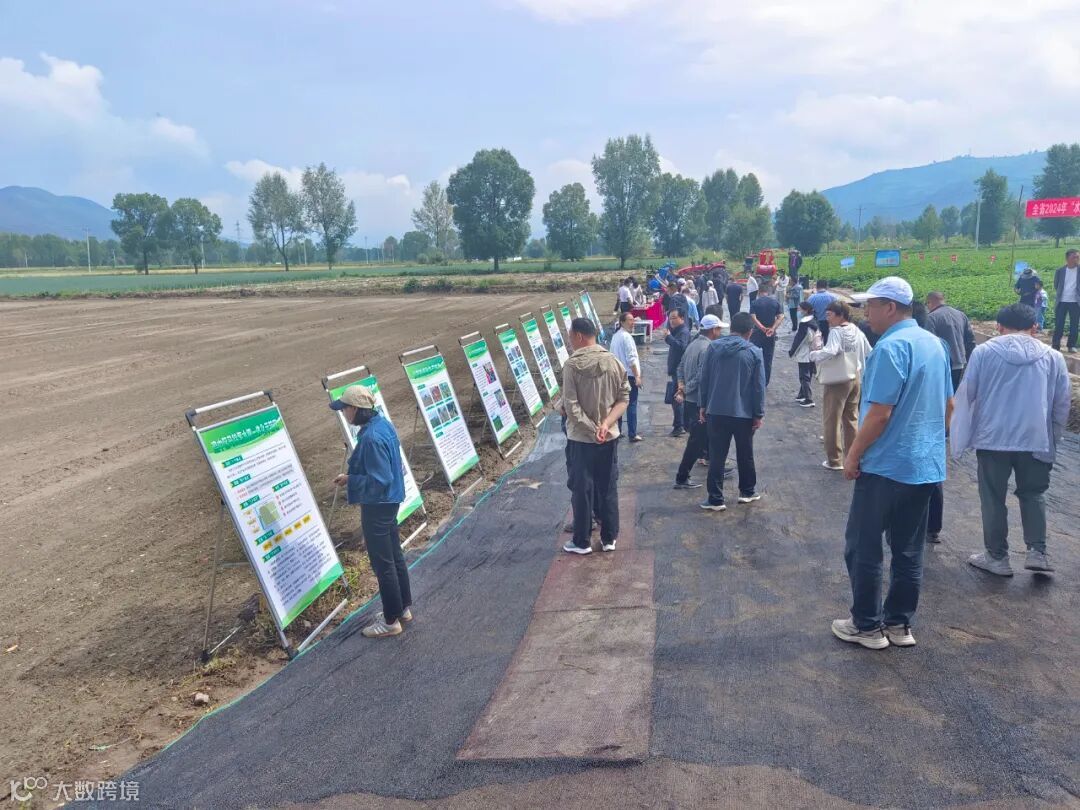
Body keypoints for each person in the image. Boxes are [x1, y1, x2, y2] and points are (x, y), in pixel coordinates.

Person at [831, 277, 953, 650]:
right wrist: (931, 443)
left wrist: (853, 454)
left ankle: (866, 625)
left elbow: (880, 414)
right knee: (908, 549)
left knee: (863, 546)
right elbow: (949, 406)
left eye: (871, 306)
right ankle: (899, 623)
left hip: (886, 466)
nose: (865, 313)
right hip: (924, 466)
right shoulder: (935, 345)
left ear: (890, 307)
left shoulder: (890, 348)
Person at [952, 303, 1070, 576]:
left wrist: (960, 438)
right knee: (1034, 493)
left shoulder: (984, 352)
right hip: (1035, 438)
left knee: (993, 497)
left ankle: (997, 557)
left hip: (993, 438)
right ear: (1034, 327)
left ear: (998, 326)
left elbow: (967, 395)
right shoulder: (1053, 357)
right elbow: (1061, 403)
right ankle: (1037, 552)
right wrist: (1053, 436)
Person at [330, 385, 412, 639]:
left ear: (356, 409)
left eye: (345, 409)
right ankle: (401, 608)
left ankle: (390, 622)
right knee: (394, 556)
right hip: (391, 501)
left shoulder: (371, 438)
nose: (344, 413)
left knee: (382, 563)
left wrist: (351, 480)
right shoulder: (382, 425)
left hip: (378, 505)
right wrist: (351, 477)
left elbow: (380, 480)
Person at [562, 317, 630, 555]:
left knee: (582, 489)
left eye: (570, 336)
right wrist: (606, 424)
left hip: (581, 439)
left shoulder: (572, 366)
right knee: (608, 486)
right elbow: (623, 399)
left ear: (579, 336)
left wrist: (592, 429)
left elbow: (571, 407)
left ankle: (581, 542)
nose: (570, 341)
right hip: (608, 437)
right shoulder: (614, 362)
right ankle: (609, 538)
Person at [698, 311, 766, 511]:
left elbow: (704, 378)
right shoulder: (754, 352)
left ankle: (715, 499)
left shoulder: (713, 348)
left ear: (732, 328)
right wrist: (758, 414)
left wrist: (703, 405)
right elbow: (758, 387)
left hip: (716, 410)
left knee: (717, 455)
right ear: (750, 332)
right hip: (743, 413)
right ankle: (747, 491)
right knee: (745, 453)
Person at [810, 301, 871, 470]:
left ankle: (834, 459)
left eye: (830, 315)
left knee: (832, 420)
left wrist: (814, 354)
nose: (827, 319)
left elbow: (831, 350)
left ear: (840, 315)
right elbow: (868, 350)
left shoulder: (836, 332)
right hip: (855, 377)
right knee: (851, 419)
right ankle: (852, 456)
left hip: (838, 380)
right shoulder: (856, 329)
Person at [674, 314, 726, 489]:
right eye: (719, 328)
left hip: (691, 399)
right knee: (696, 441)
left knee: (707, 436)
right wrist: (684, 389)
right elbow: (700, 376)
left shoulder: (693, 344)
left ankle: (714, 464)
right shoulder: (708, 348)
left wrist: (681, 385)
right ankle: (682, 477)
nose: (720, 331)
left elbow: (680, 367)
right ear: (713, 330)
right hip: (698, 401)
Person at [926, 291, 976, 391]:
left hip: (941, 365)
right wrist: (968, 361)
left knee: (940, 394)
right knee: (954, 393)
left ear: (929, 302)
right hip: (959, 363)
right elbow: (971, 340)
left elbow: (929, 345)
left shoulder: (931, 317)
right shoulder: (961, 315)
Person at [610, 310, 644, 442]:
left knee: (618, 403)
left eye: (633, 320)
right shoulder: (627, 337)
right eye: (630, 320)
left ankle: (617, 431)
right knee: (631, 404)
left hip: (617, 375)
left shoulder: (616, 336)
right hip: (628, 375)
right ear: (622, 322)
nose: (632, 322)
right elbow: (631, 359)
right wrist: (637, 376)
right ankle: (632, 433)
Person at [749, 282, 785, 386]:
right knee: (768, 359)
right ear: (768, 292)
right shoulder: (775, 302)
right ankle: (765, 382)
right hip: (770, 334)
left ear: (759, 292)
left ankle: (753, 379)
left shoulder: (754, 303)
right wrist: (772, 328)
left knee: (753, 356)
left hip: (756, 333)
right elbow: (781, 316)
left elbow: (752, 317)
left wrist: (761, 327)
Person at [788, 301, 820, 407]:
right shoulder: (813, 320)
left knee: (804, 376)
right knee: (808, 374)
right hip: (811, 351)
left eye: (800, 309)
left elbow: (800, 339)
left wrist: (792, 351)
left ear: (805, 310)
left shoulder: (804, 323)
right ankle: (802, 395)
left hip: (804, 352)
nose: (798, 310)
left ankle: (808, 399)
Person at [665, 308, 690, 437]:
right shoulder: (677, 331)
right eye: (670, 318)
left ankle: (679, 426)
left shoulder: (684, 331)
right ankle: (680, 424)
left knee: (677, 398)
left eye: (674, 318)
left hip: (679, 371)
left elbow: (681, 346)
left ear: (682, 318)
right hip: (675, 370)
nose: (672, 321)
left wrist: (669, 337)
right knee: (675, 398)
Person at [1052, 248, 1080, 353]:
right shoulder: (1060, 271)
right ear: (1067, 258)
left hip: (1076, 302)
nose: (1077, 259)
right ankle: (1055, 345)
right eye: (1074, 257)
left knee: (1074, 324)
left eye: (1078, 257)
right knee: (1059, 324)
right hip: (1061, 301)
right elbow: (1056, 285)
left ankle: (1071, 345)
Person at [807, 280, 837, 344]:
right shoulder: (833, 297)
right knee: (828, 340)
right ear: (826, 286)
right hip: (829, 323)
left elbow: (807, 311)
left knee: (816, 341)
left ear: (816, 286)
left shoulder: (811, 298)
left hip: (816, 323)